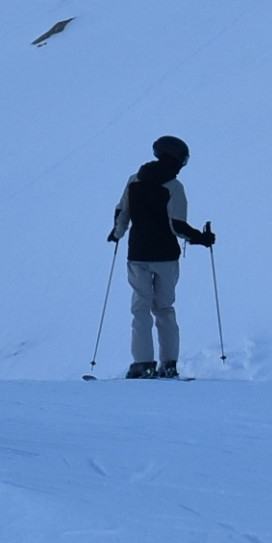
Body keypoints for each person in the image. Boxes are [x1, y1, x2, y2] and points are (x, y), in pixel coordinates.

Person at [108, 135, 216, 378]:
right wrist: (201, 238)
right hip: (166, 257)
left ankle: (142, 364)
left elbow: (122, 211)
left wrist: (117, 234)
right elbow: (177, 226)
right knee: (165, 309)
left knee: (140, 308)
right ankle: (169, 365)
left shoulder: (134, 180)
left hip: (138, 255)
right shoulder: (174, 187)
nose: (181, 167)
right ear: (173, 159)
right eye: (181, 161)